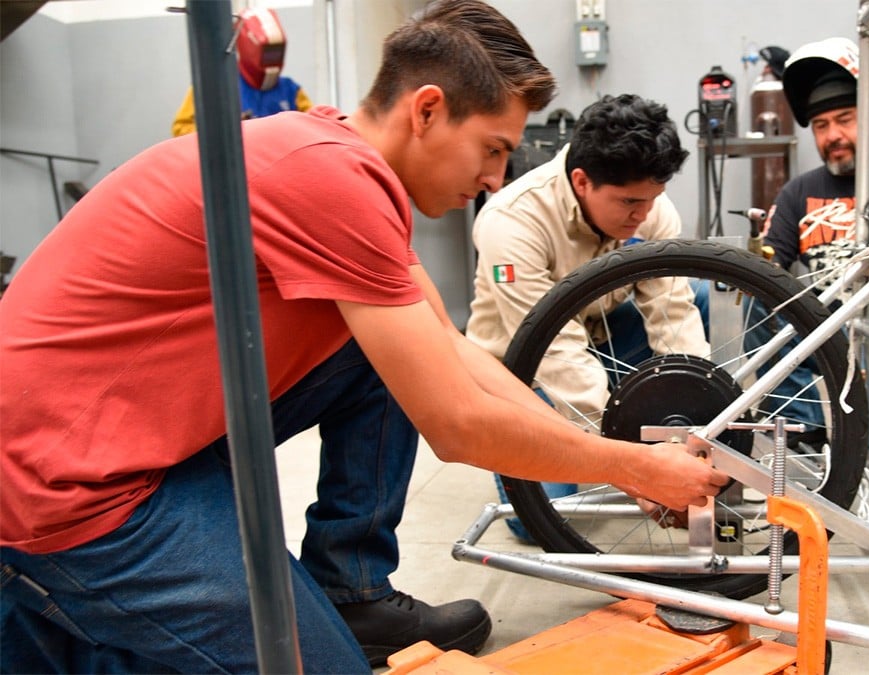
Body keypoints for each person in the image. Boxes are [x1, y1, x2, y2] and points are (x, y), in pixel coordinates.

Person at [0, 2, 729, 673]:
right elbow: (456, 424)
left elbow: (452, 356)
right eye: (492, 148)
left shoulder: (338, 161)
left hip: (128, 441)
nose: (493, 178)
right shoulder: (331, 179)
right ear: (428, 110)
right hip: (70, 488)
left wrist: (630, 462)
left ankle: (349, 588)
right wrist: (632, 468)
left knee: (386, 353)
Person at [465, 94, 707, 540]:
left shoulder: (649, 209)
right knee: (541, 518)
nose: (644, 215)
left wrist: (694, 430)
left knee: (699, 294)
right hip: (524, 371)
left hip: (608, 340)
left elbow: (671, 312)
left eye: (654, 198)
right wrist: (631, 468)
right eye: (630, 202)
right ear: (581, 181)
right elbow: (557, 355)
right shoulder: (513, 222)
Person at [748, 36, 860, 446]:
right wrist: (754, 255)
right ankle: (801, 427)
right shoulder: (799, 192)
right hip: (819, 331)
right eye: (822, 125)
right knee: (756, 293)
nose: (833, 135)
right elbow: (768, 262)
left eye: (845, 119)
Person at [171, 7, 313, 137]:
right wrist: (225, 131)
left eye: (276, 53)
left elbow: (314, 127)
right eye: (267, 54)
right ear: (248, 50)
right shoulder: (214, 86)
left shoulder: (291, 91)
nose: (271, 62)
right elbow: (180, 128)